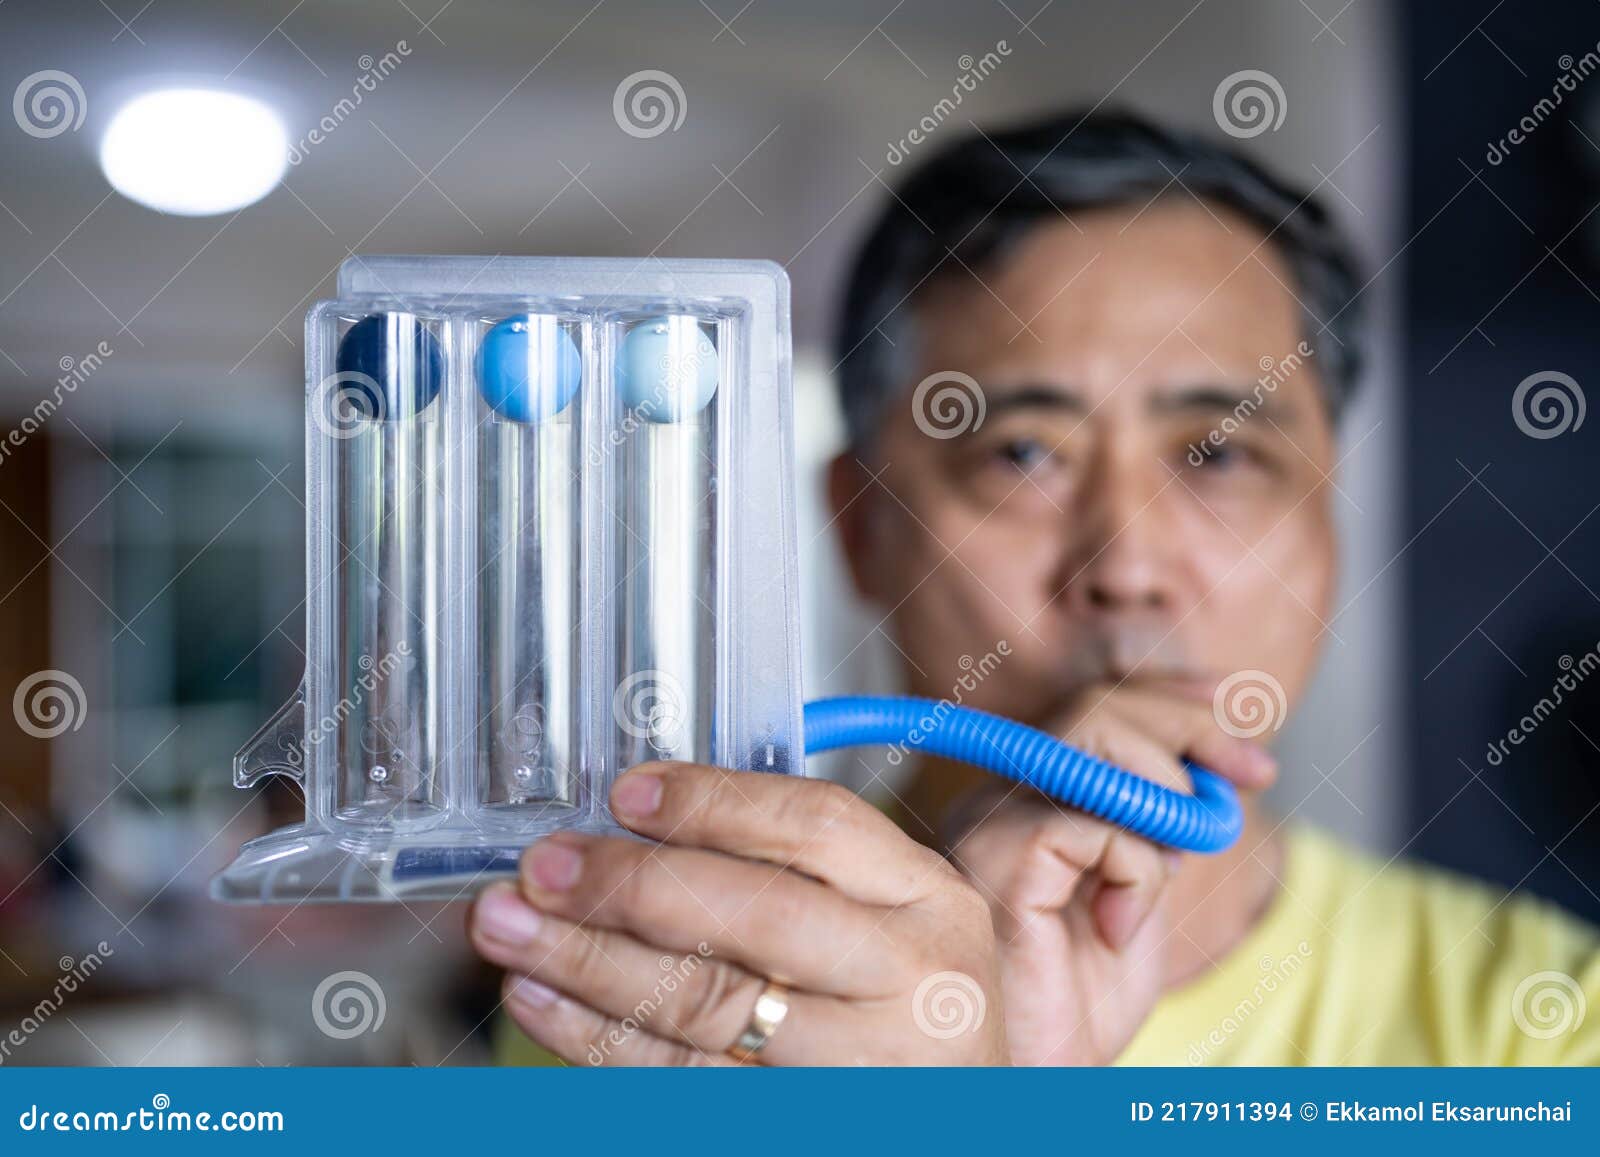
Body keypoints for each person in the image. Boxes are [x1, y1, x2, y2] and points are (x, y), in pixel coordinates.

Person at [472, 109, 1600, 1066]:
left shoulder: (1543, 1022)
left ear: (1328, 519)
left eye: (1217, 455)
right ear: (858, 526)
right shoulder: (657, 970)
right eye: (1020, 454)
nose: (1125, 568)